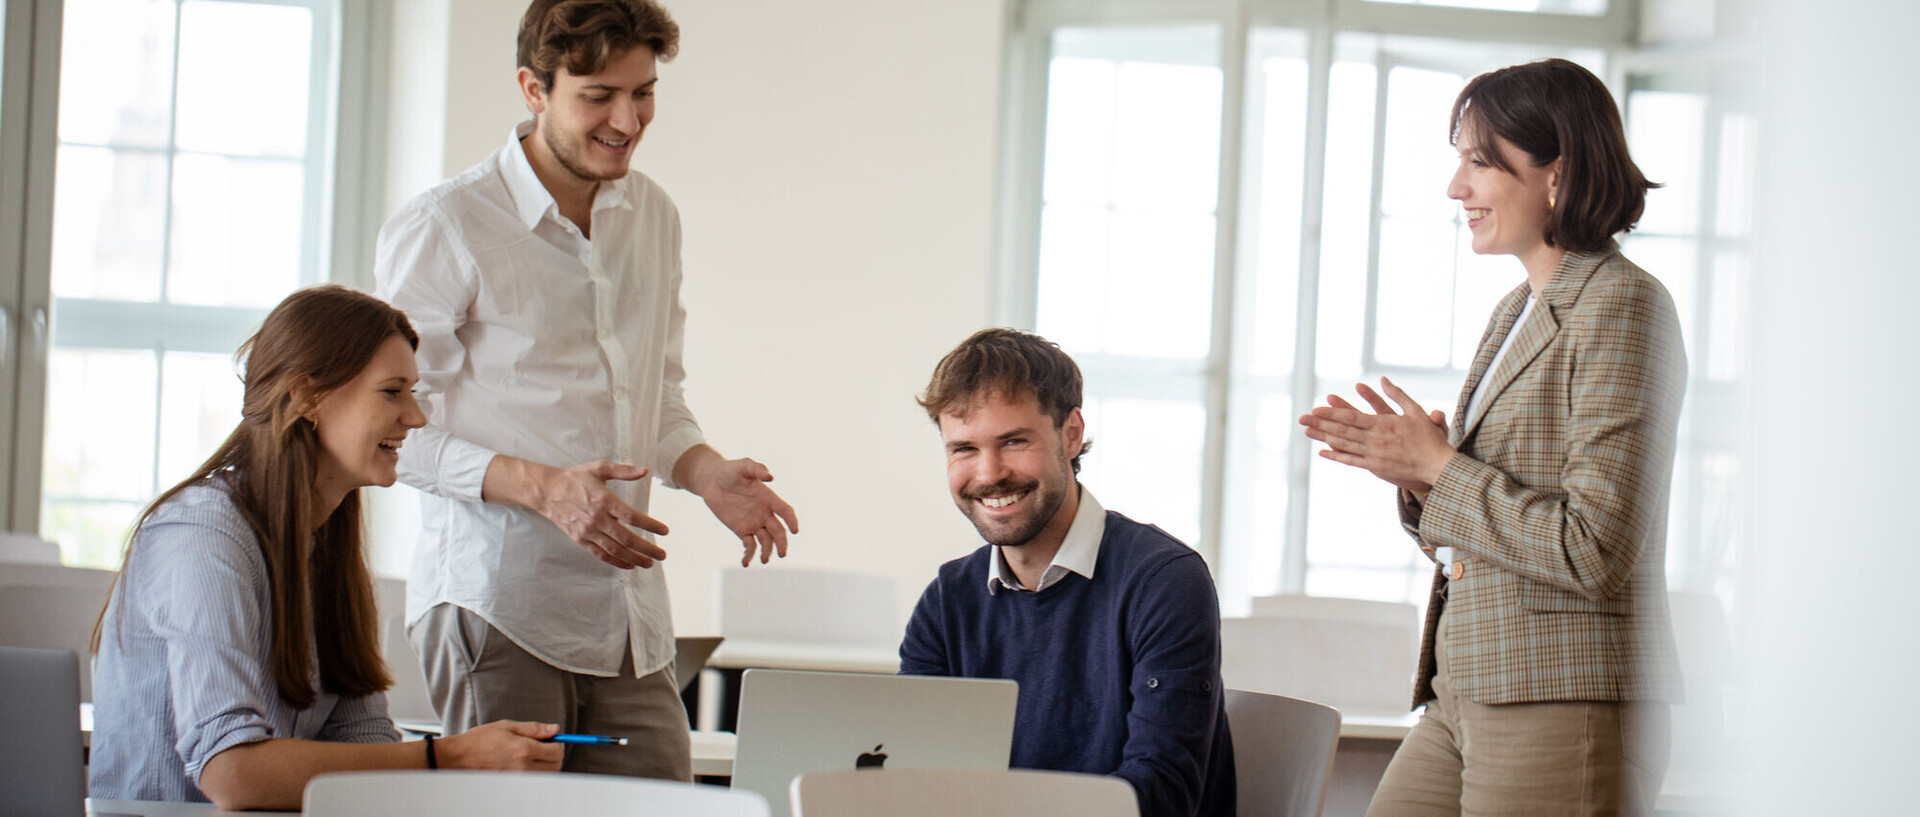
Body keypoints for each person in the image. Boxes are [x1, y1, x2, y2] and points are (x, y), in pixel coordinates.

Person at [374, 0, 798, 781]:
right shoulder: (447, 224)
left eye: (644, 93)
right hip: (497, 604)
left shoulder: (655, 216)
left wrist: (705, 471)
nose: (627, 121)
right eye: (599, 96)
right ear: (533, 89)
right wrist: (543, 488)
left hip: (628, 618)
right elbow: (388, 431)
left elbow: (653, 396)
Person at [1299, 58, 1685, 816]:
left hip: (1562, 693)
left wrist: (1442, 467)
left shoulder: (1624, 305)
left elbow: (1594, 548)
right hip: (1466, 685)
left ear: (1555, 173)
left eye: (1479, 162)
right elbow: (1483, 520)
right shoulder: (1514, 311)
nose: (1456, 188)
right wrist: (1417, 477)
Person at [87, 285, 563, 810]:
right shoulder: (200, 535)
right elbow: (232, 773)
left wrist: (452, 765)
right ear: (306, 398)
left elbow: (363, 739)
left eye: (412, 392)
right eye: (392, 392)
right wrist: (447, 757)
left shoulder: (325, 542)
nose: (416, 417)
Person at [898, 328, 1235, 817]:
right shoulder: (947, 600)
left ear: (1071, 434)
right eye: (964, 449)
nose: (989, 474)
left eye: (1014, 441)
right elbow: (912, 777)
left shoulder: (1164, 581)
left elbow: (1160, 794)